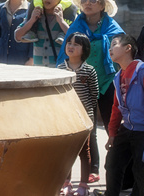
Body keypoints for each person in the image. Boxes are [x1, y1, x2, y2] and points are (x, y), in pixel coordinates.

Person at [56, 0, 124, 184]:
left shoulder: (113, 28)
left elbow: (122, 52)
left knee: (113, 126)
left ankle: (118, 170)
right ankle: (93, 168)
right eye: (85, 0)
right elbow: (65, 53)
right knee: (89, 127)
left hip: (108, 81)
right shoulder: (76, 27)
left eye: (93, 0)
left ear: (102, 5)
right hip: (82, 81)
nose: (87, 3)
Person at [104, 34, 144, 196]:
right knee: (112, 164)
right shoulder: (118, 76)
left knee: (141, 170)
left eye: (114, 44)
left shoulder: (143, 71)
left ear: (128, 48)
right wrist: (112, 133)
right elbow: (116, 107)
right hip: (126, 128)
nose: (110, 49)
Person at [57, 33, 98, 196]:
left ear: (84, 49)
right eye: (69, 43)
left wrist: (88, 117)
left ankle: (83, 185)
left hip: (83, 118)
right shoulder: (60, 69)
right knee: (66, 152)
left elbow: (94, 96)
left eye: (76, 44)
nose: (71, 46)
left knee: (84, 152)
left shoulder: (89, 71)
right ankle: (66, 182)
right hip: (65, 118)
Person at [16, 0, 69, 67]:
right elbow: (17, 36)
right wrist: (31, 20)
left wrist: (61, 21)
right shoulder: (35, 14)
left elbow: (76, 38)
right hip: (39, 70)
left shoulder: (68, 16)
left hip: (59, 69)